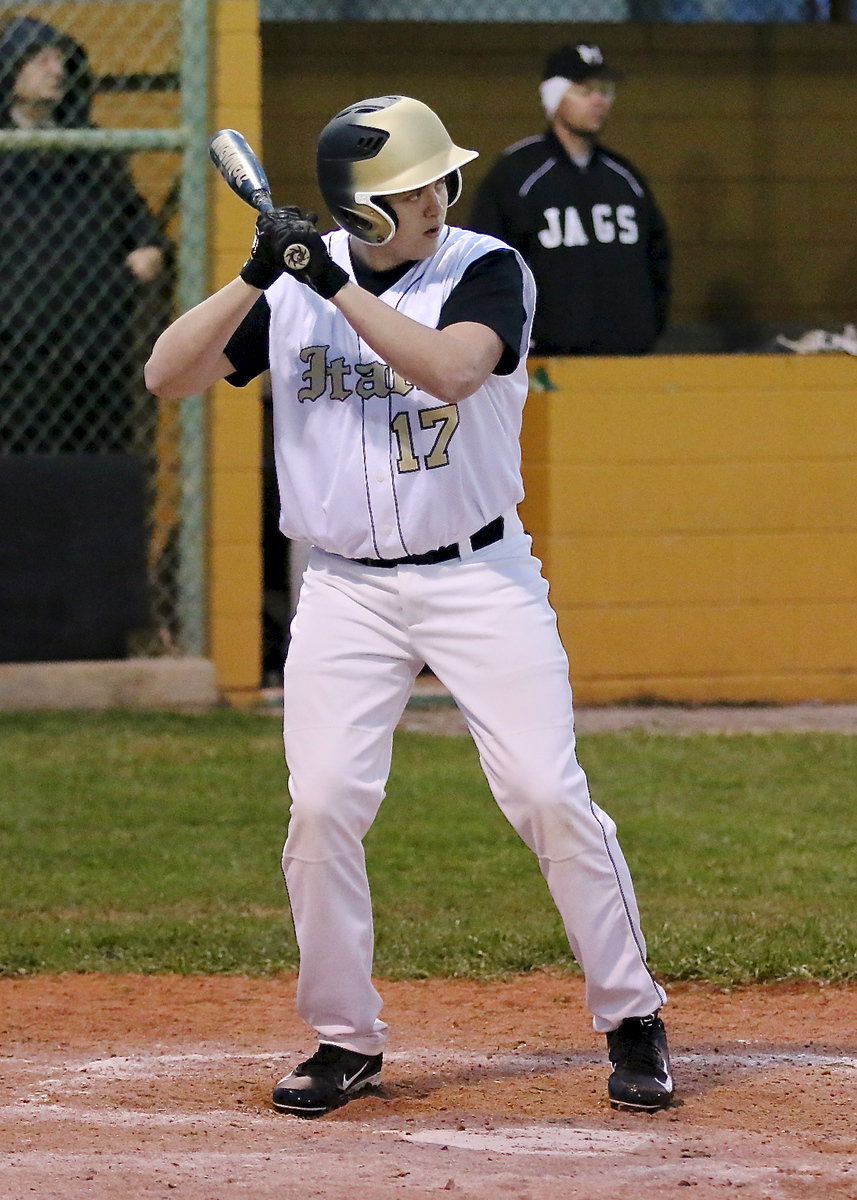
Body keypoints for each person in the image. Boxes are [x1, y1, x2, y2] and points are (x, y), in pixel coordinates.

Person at [145, 94, 674, 1118]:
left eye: (437, 180)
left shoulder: (482, 266)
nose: (434, 197)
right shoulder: (291, 288)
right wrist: (258, 277)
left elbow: (451, 370)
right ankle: (343, 1039)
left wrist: (329, 281)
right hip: (345, 590)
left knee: (544, 793)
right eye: (405, 190)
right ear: (361, 209)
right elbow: (169, 376)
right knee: (323, 805)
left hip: (477, 578)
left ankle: (631, 1014)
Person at [0, 16, 166, 453]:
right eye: (41, 60)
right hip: (15, 344)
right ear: (11, 68)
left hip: (93, 342)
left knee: (96, 467)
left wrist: (146, 250)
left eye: (60, 61)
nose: (56, 71)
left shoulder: (90, 148)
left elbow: (137, 221)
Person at [469, 43, 671, 356]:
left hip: (628, 353)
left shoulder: (625, 177)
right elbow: (489, 259)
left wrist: (645, 328)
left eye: (605, 90)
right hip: (546, 356)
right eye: (584, 90)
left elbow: (657, 258)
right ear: (554, 96)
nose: (599, 100)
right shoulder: (517, 175)